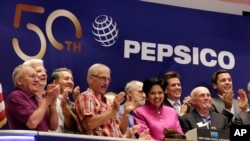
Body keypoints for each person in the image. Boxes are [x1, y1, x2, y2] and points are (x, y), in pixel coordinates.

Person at [75, 63, 126, 137]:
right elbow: (89, 124)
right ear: (90, 79)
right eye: (102, 78)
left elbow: (119, 131)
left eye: (108, 79)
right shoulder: (86, 96)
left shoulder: (108, 102)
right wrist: (113, 110)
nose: (106, 83)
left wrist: (126, 113)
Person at [5, 64, 59, 131]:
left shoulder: (36, 98)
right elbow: (32, 123)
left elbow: (53, 127)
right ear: (19, 81)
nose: (37, 80)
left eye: (37, 77)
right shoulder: (16, 97)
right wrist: (47, 99)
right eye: (32, 76)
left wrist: (52, 103)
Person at [50, 67, 79, 133]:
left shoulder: (73, 104)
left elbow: (76, 127)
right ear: (55, 83)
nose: (70, 82)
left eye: (71, 79)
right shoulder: (50, 101)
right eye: (66, 79)